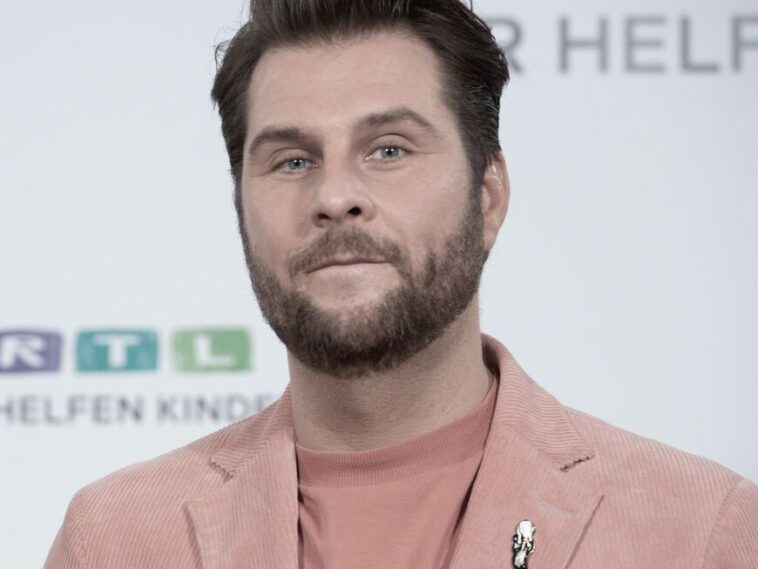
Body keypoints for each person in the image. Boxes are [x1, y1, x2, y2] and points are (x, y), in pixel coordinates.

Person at [45, 1, 758, 568]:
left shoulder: (701, 529)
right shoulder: (113, 539)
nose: (335, 196)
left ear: (488, 196)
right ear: (240, 209)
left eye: (388, 149)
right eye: (292, 161)